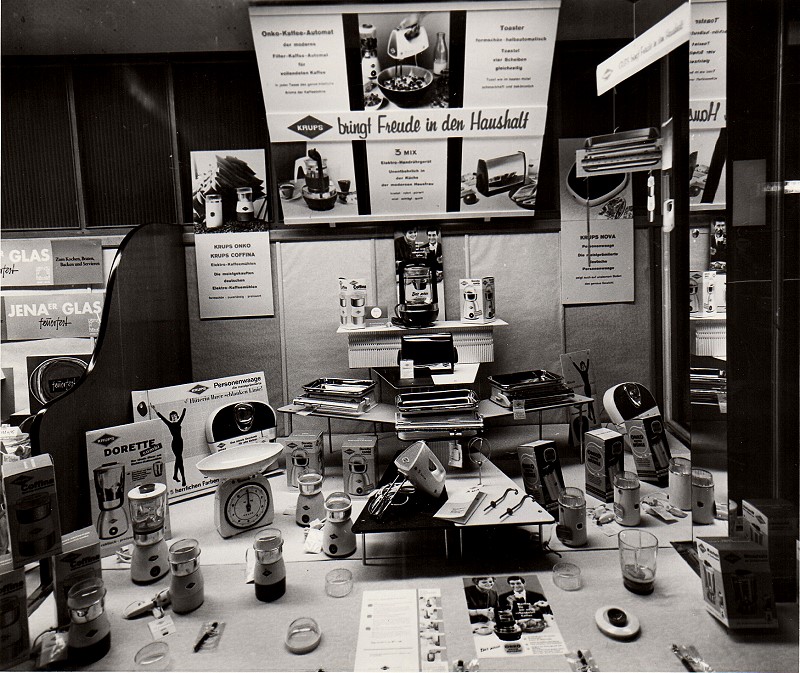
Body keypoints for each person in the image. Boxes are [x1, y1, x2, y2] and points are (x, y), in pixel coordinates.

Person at [153, 404, 187, 487]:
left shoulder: (179, 422)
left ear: (177, 416)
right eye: (172, 416)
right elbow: (162, 418)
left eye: (175, 416)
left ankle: (175, 476)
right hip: (174, 444)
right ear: (170, 417)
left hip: (180, 443)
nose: (174, 417)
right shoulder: (169, 424)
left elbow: (183, 414)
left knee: (178, 460)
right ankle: (183, 479)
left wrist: (185, 404)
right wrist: (155, 409)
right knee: (180, 460)